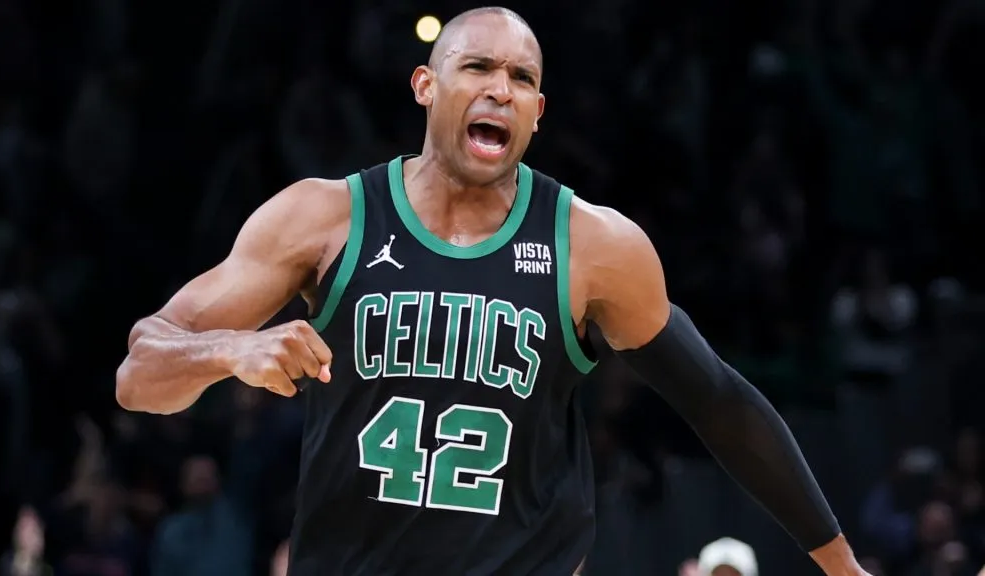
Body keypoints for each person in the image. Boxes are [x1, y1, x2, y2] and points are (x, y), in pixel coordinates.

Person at [115, 6, 871, 575]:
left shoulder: (596, 248)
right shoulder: (324, 217)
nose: (500, 90)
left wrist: (843, 569)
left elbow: (720, 402)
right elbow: (139, 373)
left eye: (523, 79)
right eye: (478, 68)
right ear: (427, 85)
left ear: (539, 113)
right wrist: (231, 350)